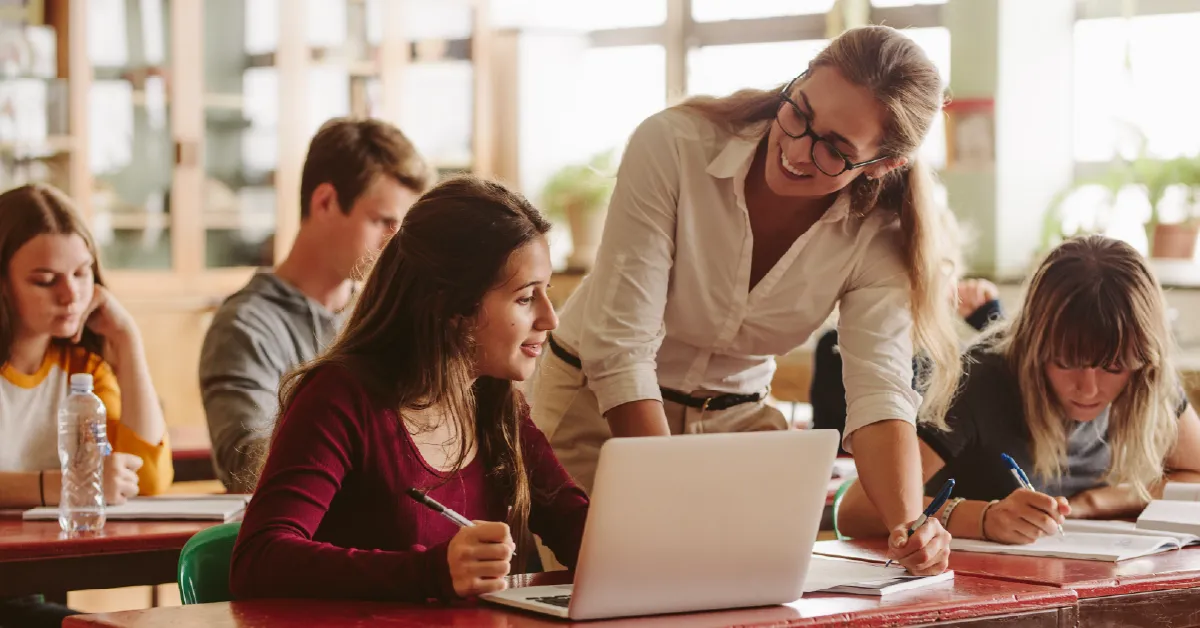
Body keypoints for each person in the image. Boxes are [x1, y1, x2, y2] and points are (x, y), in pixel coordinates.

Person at [530, 25, 959, 574]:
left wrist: (910, 528)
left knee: (750, 599)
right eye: (800, 113)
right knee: (604, 592)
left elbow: (879, 394)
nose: (798, 150)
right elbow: (620, 349)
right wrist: (658, 496)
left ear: (881, 166)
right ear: (797, 81)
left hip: (732, 428)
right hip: (598, 411)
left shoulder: (882, 233)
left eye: (834, 149)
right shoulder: (675, 144)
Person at [230, 176, 589, 601]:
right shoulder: (339, 398)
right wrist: (430, 571)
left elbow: (577, 530)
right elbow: (257, 561)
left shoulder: (496, 404)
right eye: (526, 298)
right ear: (452, 307)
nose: (551, 319)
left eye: (546, 293)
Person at [836, 236, 1200, 544]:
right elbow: (854, 509)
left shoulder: (1147, 377)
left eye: (1113, 367)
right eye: (1066, 361)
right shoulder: (982, 378)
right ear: (1033, 347)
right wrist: (981, 518)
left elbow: (1194, 477)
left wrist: (1095, 502)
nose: (1088, 388)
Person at [200, 117, 435, 492]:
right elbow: (244, 467)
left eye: (402, 228)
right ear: (325, 201)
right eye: (382, 221)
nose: (396, 244)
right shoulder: (244, 326)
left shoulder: (387, 316)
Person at [0, 183, 172, 627]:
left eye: (81, 273)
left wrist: (127, 339)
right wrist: (57, 486)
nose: (71, 295)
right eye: (45, 280)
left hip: (18, 592)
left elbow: (148, 478)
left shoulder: (83, 371)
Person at [811, 277, 1004, 453]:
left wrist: (990, 318)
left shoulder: (946, 353)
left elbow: (1006, 390)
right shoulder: (837, 346)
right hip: (861, 473)